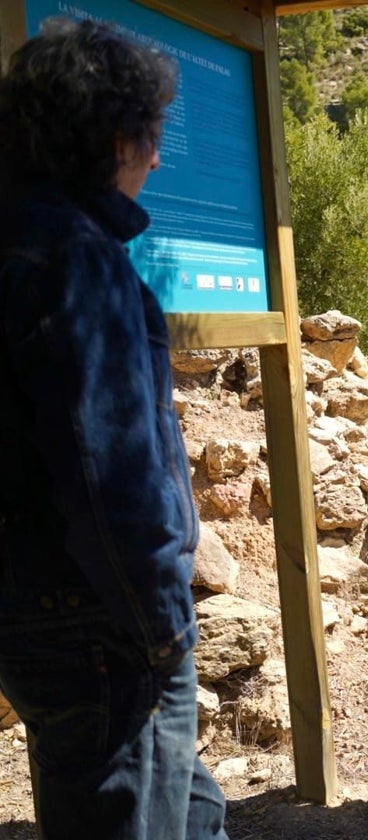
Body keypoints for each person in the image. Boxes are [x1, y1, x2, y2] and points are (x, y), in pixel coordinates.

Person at [0, 19, 227, 838]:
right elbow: (110, 469)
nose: (160, 159)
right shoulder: (76, 257)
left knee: (195, 811)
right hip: (97, 617)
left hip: (33, 599)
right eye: (152, 136)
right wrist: (160, 626)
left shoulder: (18, 238)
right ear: (115, 136)